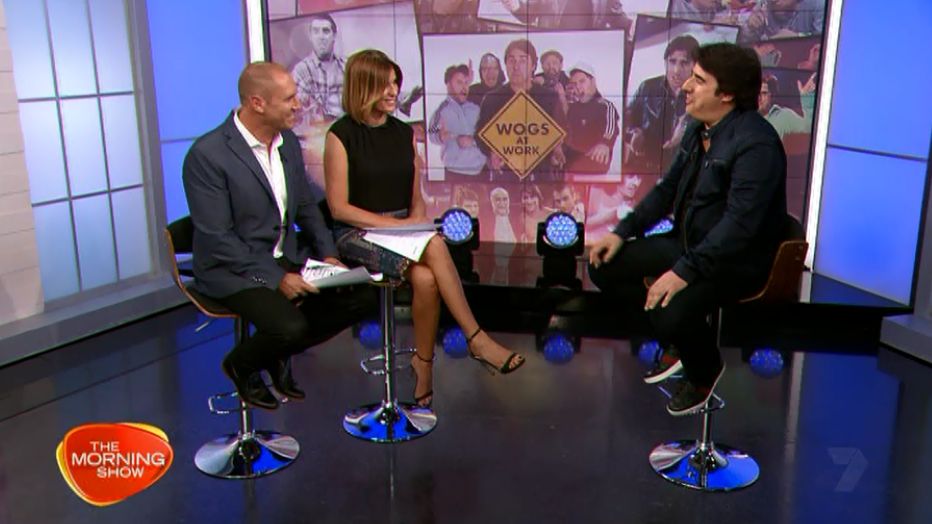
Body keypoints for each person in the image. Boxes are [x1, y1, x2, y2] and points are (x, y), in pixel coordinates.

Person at [588, 43, 787, 416]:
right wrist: (621, 232)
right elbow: (666, 190)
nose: (685, 86)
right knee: (603, 266)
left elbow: (739, 226)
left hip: (736, 260)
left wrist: (682, 272)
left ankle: (703, 369)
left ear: (726, 94)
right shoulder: (699, 130)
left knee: (671, 309)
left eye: (698, 80)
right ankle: (680, 341)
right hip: (689, 244)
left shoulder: (756, 144)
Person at [324, 50, 526, 408]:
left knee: (426, 278)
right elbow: (339, 208)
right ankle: (476, 339)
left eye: (395, 83)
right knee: (433, 245)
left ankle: (424, 363)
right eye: (384, 84)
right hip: (357, 232)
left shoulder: (404, 133)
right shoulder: (340, 135)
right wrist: (399, 227)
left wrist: (413, 225)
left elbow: (415, 198)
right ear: (363, 86)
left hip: (401, 227)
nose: (393, 91)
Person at [182, 62, 374, 410]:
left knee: (360, 297)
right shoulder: (207, 155)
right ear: (257, 103)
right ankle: (242, 364)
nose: (298, 105)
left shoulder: (287, 143)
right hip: (233, 269)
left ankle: (275, 352)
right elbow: (218, 238)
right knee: (289, 327)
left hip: (284, 257)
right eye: (289, 99)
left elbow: (306, 206)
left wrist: (329, 255)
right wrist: (276, 279)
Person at [476, 38, 567, 183]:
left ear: (533, 66)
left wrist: (557, 149)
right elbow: (479, 136)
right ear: (505, 65)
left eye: (523, 61)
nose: (516, 66)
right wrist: (491, 152)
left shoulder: (550, 98)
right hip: (505, 180)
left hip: (542, 180)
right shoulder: (492, 99)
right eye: (511, 61)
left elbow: (563, 131)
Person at [625, 35, 699, 174]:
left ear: (695, 66)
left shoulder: (703, 95)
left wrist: (685, 130)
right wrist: (634, 132)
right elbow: (626, 118)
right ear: (665, 62)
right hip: (645, 167)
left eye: (684, 63)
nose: (676, 70)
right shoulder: (647, 87)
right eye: (672, 62)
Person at [427, 64, 486, 181]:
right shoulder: (442, 111)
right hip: (454, 174)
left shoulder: (476, 110)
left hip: (479, 173)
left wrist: (473, 141)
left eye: (466, 83)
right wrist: (440, 136)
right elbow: (431, 132)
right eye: (459, 82)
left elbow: (487, 135)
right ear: (448, 85)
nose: (464, 87)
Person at [564, 62, 620, 175]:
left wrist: (604, 143)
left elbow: (611, 128)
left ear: (592, 81)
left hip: (594, 169)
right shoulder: (572, 108)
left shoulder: (605, 105)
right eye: (574, 83)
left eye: (582, 81)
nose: (578, 86)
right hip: (571, 169)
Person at [291, 14, 346, 127]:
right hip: (314, 134)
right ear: (310, 36)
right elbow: (298, 113)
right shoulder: (301, 71)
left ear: (334, 35)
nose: (321, 37)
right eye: (316, 31)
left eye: (326, 31)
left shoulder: (347, 67)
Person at [759, 72, 815, 140]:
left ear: (772, 95)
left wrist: (807, 99)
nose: (759, 98)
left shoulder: (784, 116)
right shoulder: (748, 119)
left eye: (764, 93)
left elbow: (808, 130)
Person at [740, 0, 825, 43]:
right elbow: (748, 43)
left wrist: (797, 38)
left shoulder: (819, 4)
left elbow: (825, 43)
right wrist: (751, 29)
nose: (773, 1)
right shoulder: (764, 4)